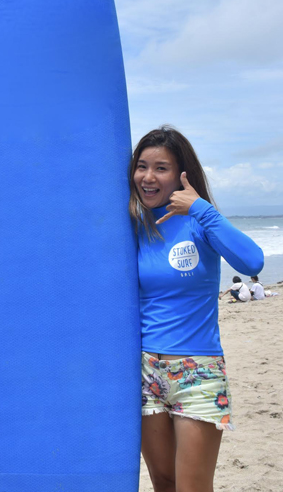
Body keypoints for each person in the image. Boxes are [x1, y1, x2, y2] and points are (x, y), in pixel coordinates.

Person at [130, 126, 264, 492]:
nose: (148, 177)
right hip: (144, 371)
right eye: (142, 166)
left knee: (192, 487)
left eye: (161, 168)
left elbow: (252, 262)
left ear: (181, 174)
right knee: (164, 483)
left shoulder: (200, 223)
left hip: (198, 372)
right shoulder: (133, 227)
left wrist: (201, 209)